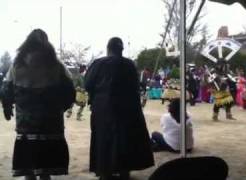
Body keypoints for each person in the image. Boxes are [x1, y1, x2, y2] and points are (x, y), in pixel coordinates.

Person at [0, 29, 75, 180]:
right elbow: (69, 92)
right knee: (45, 170)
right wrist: (62, 107)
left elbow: (6, 90)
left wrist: (7, 107)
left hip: (26, 126)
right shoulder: (56, 65)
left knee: (28, 168)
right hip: (51, 125)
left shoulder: (17, 65)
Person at [85, 37, 154, 180]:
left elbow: (88, 84)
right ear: (121, 50)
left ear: (108, 49)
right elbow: (136, 86)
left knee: (104, 140)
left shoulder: (98, 63)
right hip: (127, 110)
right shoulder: (129, 64)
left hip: (103, 109)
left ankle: (105, 172)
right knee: (125, 139)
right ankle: (124, 171)